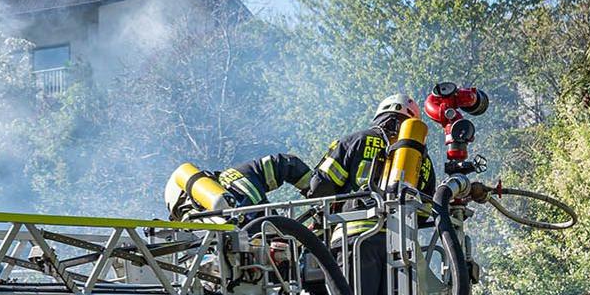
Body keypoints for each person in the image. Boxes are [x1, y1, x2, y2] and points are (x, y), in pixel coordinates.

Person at [163, 94, 428, 219]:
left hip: (351, 231)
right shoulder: (422, 161)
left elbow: (314, 181)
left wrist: (317, 197)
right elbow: (426, 213)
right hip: (401, 240)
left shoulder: (354, 140)